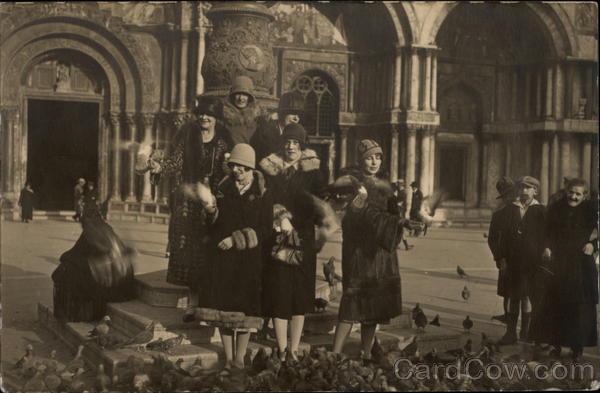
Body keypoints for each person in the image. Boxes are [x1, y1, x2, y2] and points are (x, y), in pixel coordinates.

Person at [138, 96, 231, 322]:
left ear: (216, 118)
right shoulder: (188, 137)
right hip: (189, 203)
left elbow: (229, 172)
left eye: (209, 115)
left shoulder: (224, 142)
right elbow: (175, 163)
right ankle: (193, 305)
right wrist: (158, 166)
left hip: (215, 202)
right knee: (191, 255)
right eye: (201, 114)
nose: (204, 118)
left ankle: (211, 303)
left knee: (212, 254)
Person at [331, 139, 412, 363]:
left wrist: (403, 219)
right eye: (369, 157)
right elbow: (356, 215)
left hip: (381, 255)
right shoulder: (350, 183)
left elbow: (394, 216)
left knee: (373, 308)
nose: (374, 161)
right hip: (359, 253)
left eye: (378, 157)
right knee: (351, 304)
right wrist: (393, 224)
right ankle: (335, 354)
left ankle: (366, 352)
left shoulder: (385, 186)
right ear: (361, 159)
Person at [197, 144, 273, 371]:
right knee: (224, 309)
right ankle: (229, 357)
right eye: (234, 166)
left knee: (245, 311)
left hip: (248, 261)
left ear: (250, 168)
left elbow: (265, 228)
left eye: (242, 166)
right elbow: (213, 226)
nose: (237, 170)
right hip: (224, 259)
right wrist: (210, 212)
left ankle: (240, 357)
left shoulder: (262, 194)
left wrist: (237, 239)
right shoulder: (223, 189)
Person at [258, 123, 325, 361]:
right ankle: (282, 346)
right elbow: (267, 199)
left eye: (296, 142)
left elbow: (319, 203)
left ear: (302, 145)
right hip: (279, 236)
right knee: (279, 291)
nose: (291, 146)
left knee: (300, 293)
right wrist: (280, 217)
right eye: (287, 142)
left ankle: (294, 350)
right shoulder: (271, 169)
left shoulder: (313, 171)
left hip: (304, 237)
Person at [531, 179, 598, 360]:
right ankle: (556, 344)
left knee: (579, 307)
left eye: (578, 194)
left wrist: (593, 244)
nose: (573, 196)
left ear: (584, 196)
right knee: (556, 304)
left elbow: (597, 232)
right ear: (566, 191)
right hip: (559, 262)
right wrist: (546, 246)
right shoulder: (556, 208)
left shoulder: (591, 211)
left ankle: (577, 347)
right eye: (571, 192)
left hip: (581, 264)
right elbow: (546, 231)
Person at [52, 190, 136, 322]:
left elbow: (75, 254)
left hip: (109, 281)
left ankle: (73, 313)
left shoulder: (90, 230)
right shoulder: (106, 227)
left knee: (66, 271)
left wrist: (65, 257)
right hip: (122, 280)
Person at [497, 176, 546, 345]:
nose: (524, 191)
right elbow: (501, 237)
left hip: (532, 263)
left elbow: (547, 237)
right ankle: (510, 333)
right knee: (513, 297)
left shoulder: (541, 211)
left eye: (528, 187)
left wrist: (545, 253)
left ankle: (526, 332)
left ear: (536, 191)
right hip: (512, 262)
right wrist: (501, 258)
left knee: (527, 297)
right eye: (521, 188)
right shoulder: (509, 210)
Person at [487, 177, 516, 324]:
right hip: (506, 259)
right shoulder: (498, 216)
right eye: (506, 196)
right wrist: (499, 258)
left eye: (512, 194)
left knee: (526, 294)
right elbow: (492, 239)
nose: (510, 198)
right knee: (507, 293)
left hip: (527, 260)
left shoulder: (530, 212)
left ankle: (526, 328)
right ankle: (509, 320)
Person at [251, 91, 305, 162]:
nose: (296, 119)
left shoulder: (301, 134)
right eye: (293, 113)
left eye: (298, 115)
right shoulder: (264, 133)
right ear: (282, 113)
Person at [223, 75, 263, 145]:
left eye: (245, 94)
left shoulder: (258, 118)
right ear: (232, 96)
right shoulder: (223, 117)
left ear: (250, 97)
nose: (241, 98)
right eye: (237, 94)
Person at [389, 180, 413, 250]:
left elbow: (399, 204)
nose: (397, 186)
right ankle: (403, 245)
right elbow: (397, 205)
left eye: (398, 184)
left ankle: (400, 245)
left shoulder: (401, 193)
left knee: (399, 230)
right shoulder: (396, 195)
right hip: (397, 215)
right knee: (399, 230)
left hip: (398, 214)